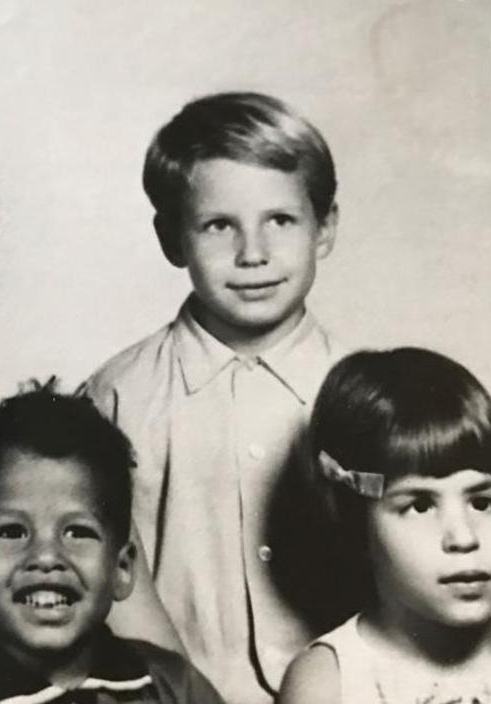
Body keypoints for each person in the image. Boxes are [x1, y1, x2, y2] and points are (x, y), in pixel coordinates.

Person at [84, 91, 345, 703]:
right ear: (172, 238)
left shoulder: (368, 396)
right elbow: (96, 574)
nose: (252, 254)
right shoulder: (115, 398)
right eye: (218, 225)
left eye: (280, 221)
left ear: (325, 227)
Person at [277, 347, 491, 703]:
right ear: (356, 522)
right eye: (420, 506)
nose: (464, 538)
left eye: (481, 503)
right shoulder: (328, 684)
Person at [0, 384, 226, 704]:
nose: (46, 556)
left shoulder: (173, 686)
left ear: (122, 569)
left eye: (77, 532)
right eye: (12, 532)